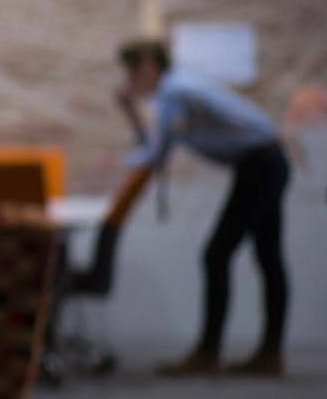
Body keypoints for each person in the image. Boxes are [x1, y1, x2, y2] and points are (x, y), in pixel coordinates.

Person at [115, 39, 290, 376]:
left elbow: (154, 153)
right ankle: (269, 353)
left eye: (131, 72)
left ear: (148, 67)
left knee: (218, 255)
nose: (130, 81)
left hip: (260, 165)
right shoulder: (179, 89)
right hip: (264, 162)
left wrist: (129, 111)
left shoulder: (174, 94)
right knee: (267, 256)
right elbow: (157, 148)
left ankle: (209, 353)